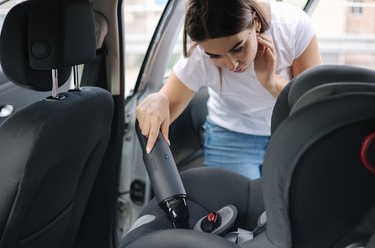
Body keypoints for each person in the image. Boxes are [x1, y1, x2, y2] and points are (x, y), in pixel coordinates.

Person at [136, 0, 323, 179]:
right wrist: (158, 100)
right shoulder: (198, 58)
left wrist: (270, 81)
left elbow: (312, 104)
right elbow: (164, 105)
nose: (231, 64)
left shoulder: (293, 27)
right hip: (231, 137)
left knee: (287, 209)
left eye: (238, 48)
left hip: (289, 132)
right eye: (215, 56)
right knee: (239, 209)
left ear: (256, 22)